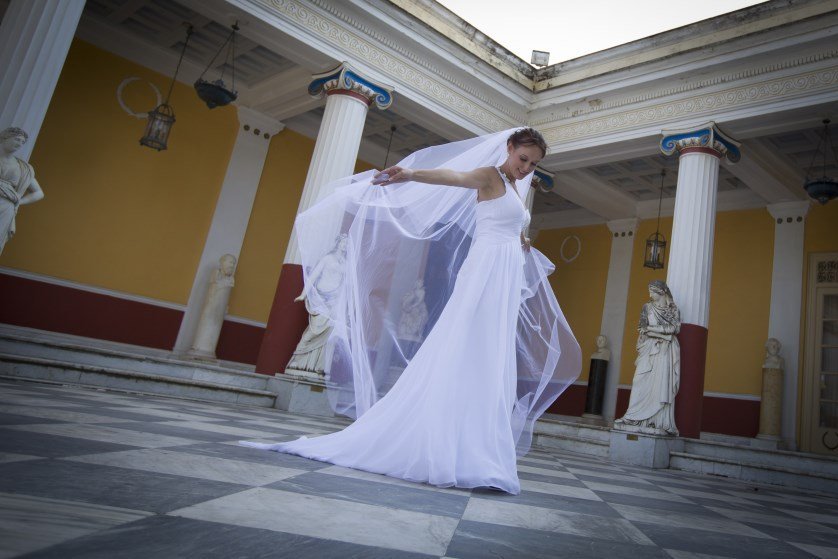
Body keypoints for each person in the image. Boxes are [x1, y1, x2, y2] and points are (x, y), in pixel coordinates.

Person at [242, 128, 581, 494]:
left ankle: (470, 447)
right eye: (522, 159)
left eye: (533, 164)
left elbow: (507, 223)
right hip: (484, 273)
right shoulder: (490, 175)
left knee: (485, 355)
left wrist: (521, 241)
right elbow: (454, 177)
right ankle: (440, 444)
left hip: (502, 274)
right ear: (509, 148)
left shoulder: (515, 187)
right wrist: (411, 174)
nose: (525, 168)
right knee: (464, 347)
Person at [615, 280, 681, 435]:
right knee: (638, 380)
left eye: (652, 291)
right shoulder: (647, 307)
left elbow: (675, 328)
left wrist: (655, 330)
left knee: (661, 384)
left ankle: (657, 421)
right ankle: (632, 417)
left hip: (665, 351)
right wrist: (661, 333)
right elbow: (642, 328)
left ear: (662, 292)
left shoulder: (673, 310)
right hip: (649, 347)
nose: (650, 294)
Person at [0, 127, 44, 256]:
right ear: (5, 138)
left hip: (6, 207)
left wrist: (19, 201)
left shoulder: (23, 167)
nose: (19, 144)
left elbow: (39, 193)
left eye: (22, 142)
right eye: (17, 139)